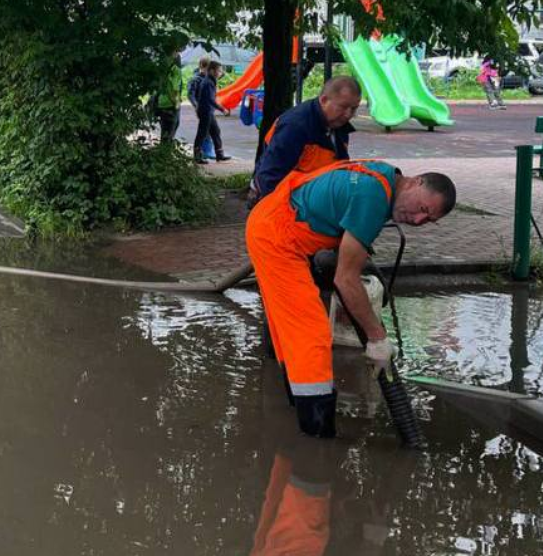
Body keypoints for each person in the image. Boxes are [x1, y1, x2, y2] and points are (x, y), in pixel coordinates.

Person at [245, 159, 456, 437]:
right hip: (277, 239)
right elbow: (346, 279)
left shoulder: (385, 178)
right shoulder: (373, 198)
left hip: (276, 222)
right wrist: (377, 338)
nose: (418, 220)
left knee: (293, 333)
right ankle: (317, 439)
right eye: (423, 209)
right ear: (416, 182)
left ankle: (295, 413)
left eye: (428, 220)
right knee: (311, 334)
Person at [250, 76, 362, 204]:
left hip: (310, 198)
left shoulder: (338, 125)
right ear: (324, 100)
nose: (348, 114)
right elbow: (269, 178)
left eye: (354, 109)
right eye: (343, 107)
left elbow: (339, 166)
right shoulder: (295, 126)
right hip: (280, 201)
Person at [194, 61, 232, 164]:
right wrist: (222, 109)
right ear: (211, 71)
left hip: (207, 111)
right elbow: (211, 100)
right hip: (205, 111)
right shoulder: (208, 83)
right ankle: (197, 156)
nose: (220, 73)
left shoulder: (211, 80)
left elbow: (221, 75)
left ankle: (219, 155)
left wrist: (223, 73)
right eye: (218, 71)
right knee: (202, 133)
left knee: (216, 131)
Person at [154, 50, 184, 144]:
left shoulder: (162, 70)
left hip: (161, 103)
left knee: (164, 133)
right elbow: (174, 89)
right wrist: (177, 104)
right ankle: (165, 155)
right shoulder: (176, 70)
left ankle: (162, 154)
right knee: (170, 133)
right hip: (170, 104)